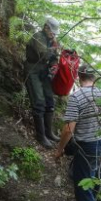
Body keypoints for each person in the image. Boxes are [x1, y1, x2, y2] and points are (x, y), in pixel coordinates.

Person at [54, 62, 101, 201]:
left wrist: (60, 149)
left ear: (79, 77)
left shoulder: (77, 97)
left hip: (88, 148)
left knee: (83, 190)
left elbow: (69, 129)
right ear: (94, 78)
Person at [25, 17, 61, 148]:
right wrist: (53, 49)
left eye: (55, 33)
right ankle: (41, 136)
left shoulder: (52, 40)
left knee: (50, 100)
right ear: (46, 27)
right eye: (52, 32)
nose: (53, 34)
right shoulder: (37, 37)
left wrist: (54, 64)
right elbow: (43, 54)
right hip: (33, 70)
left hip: (44, 71)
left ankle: (49, 132)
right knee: (39, 102)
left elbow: (53, 58)